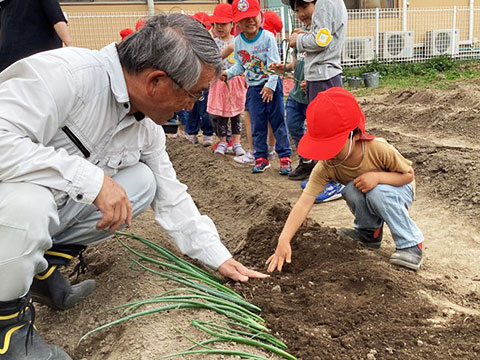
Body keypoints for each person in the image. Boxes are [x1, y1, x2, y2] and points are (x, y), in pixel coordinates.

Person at [0, 14, 268, 359]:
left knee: (143, 182)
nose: (192, 106)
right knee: (29, 203)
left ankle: (40, 270)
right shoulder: (63, 76)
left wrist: (218, 257)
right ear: (157, 81)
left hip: (38, 216)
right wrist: (91, 181)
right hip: (10, 209)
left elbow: (171, 195)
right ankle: (8, 330)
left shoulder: (144, 127)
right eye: (193, 95)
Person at [266, 87, 424, 273]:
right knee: (350, 189)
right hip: (369, 191)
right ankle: (369, 233)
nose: (327, 154)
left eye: (332, 145)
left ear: (355, 135)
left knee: (377, 192)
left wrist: (378, 177)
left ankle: (410, 243)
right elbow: (304, 203)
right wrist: (283, 240)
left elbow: (408, 175)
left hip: (398, 189)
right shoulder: (327, 165)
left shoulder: (377, 148)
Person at [286, 0, 348, 201]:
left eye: (303, 6)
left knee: (329, 131)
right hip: (320, 75)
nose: (301, 13)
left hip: (324, 75)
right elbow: (323, 36)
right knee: (322, 129)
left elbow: (322, 41)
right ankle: (330, 177)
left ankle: (336, 181)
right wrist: (305, 36)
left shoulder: (326, 1)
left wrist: (299, 41)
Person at [224, 0, 292, 175]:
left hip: (271, 84)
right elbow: (240, 65)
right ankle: (261, 157)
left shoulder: (268, 37)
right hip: (254, 88)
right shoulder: (238, 41)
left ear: (259, 15)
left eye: (252, 16)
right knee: (257, 124)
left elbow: (274, 65)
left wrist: (270, 86)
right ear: (237, 22)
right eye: (244, 19)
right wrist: (228, 73)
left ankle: (284, 157)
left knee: (277, 121)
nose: (250, 21)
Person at [269, 0, 316, 182]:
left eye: (305, 7)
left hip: (312, 95)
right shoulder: (298, 38)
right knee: (294, 125)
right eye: (297, 10)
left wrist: (311, 81)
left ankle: (318, 162)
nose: (301, 13)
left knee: (315, 130)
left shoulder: (319, 35)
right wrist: (284, 68)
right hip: (297, 95)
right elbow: (295, 65)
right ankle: (306, 160)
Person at [208, 3, 247, 156]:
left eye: (223, 24)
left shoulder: (238, 41)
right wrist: (228, 50)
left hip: (235, 81)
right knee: (221, 115)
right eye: (217, 24)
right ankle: (223, 141)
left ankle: (236, 142)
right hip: (219, 82)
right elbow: (212, 61)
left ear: (232, 24)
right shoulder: (212, 43)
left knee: (236, 114)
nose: (220, 27)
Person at [0, 0, 73, 72]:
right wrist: (71, 48)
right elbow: (57, 19)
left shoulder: (6, 4)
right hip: (37, 61)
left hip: (7, 62)